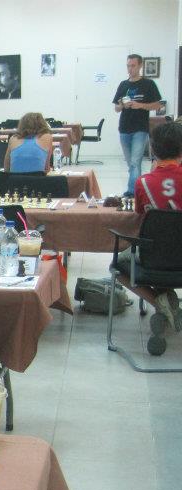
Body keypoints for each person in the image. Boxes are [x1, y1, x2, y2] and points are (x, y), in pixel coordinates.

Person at [116, 121, 182, 329]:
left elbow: (139, 214)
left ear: (152, 148)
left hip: (153, 255)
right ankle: (168, 302)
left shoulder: (142, 182)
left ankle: (160, 303)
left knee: (118, 265)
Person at [114, 54, 163, 196]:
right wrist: (122, 105)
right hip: (124, 128)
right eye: (128, 66)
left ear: (140, 66)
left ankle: (132, 192)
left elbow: (158, 105)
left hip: (140, 129)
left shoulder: (148, 84)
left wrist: (140, 105)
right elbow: (116, 108)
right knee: (131, 164)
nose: (130, 69)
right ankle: (139, 189)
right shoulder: (123, 85)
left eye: (133, 65)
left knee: (135, 162)